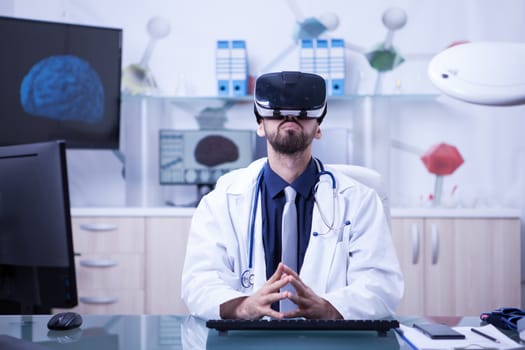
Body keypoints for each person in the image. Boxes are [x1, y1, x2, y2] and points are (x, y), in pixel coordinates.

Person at [181, 71, 403, 321]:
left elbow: (381, 285)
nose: (289, 117)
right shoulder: (221, 202)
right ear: (260, 126)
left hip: (330, 343)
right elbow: (198, 281)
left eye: (301, 114)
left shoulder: (359, 201)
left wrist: (328, 308)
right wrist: (243, 306)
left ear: (318, 128)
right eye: (277, 112)